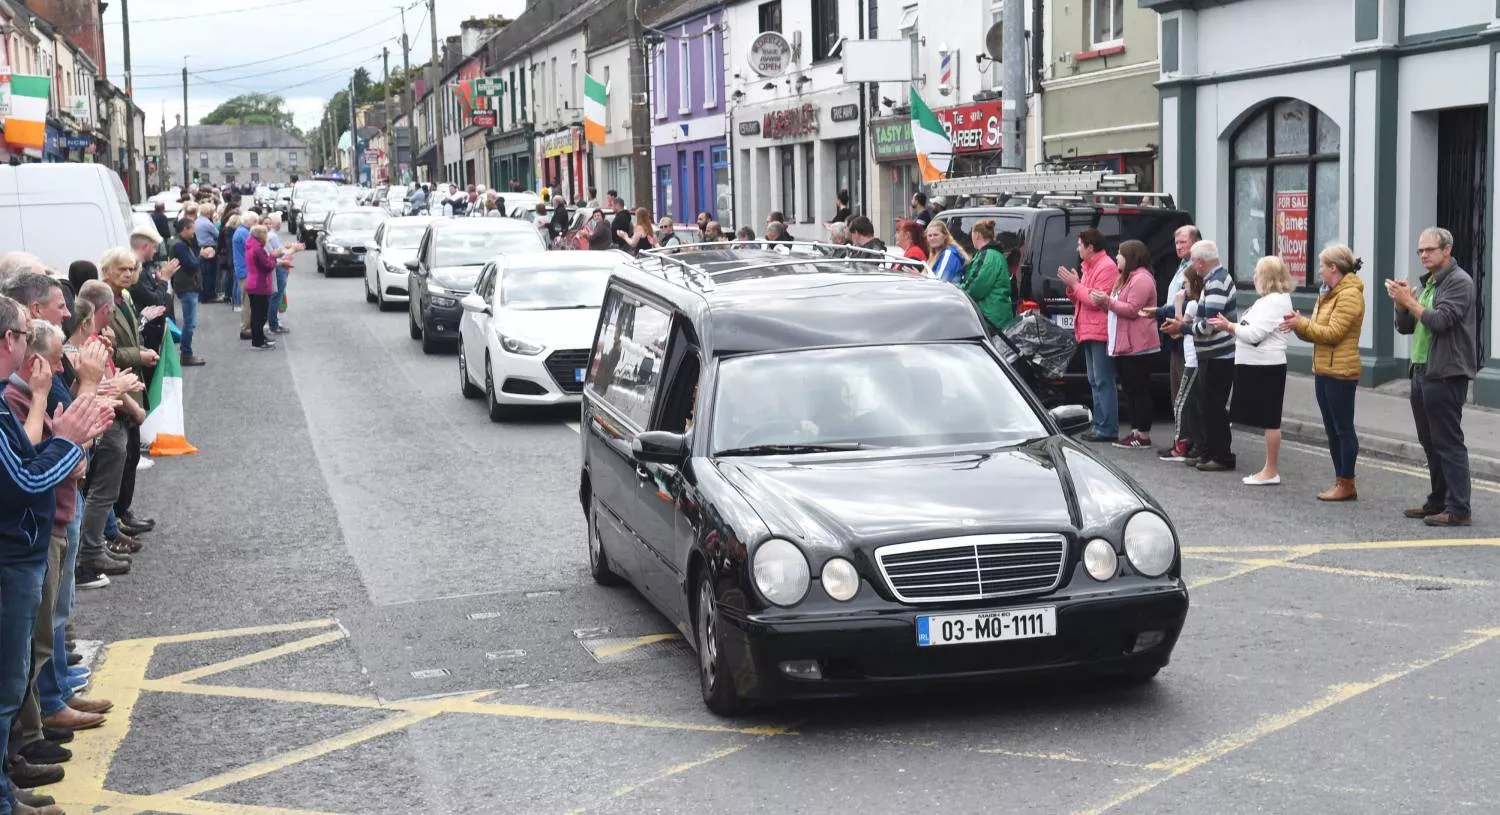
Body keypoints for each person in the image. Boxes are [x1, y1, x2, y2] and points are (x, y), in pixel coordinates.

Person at [0, 294, 110, 815]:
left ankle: (7, 782)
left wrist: (60, 425)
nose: (29, 352)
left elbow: (27, 459)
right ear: (10, 342)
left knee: (24, 661)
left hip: (26, 546)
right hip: (15, 554)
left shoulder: (9, 396)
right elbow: (28, 477)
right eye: (24, 335)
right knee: (10, 683)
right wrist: (68, 439)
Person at [1389, 226, 1478, 526]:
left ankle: (1459, 508)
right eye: (1420, 251)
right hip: (1422, 371)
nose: (1424, 255)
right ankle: (1439, 499)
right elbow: (1408, 327)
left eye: (1430, 250)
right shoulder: (1430, 284)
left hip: (1446, 373)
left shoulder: (1459, 282)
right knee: (1429, 442)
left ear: (1447, 250)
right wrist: (1401, 305)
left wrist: (1411, 302)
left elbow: (1441, 322)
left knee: (1448, 442)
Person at [1282, 244, 1366, 501]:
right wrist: (1298, 325)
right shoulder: (1329, 293)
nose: (1319, 271)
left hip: (1341, 371)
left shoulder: (1349, 294)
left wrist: (1302, 323)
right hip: (1324, 368)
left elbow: (1333, 334)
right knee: (1331, 429)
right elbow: (1318, 333)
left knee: (1342, 429)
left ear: (1334, 268)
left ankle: (1346, 482)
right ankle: (1341, 481)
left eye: (1321, 266)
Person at [1211, 256, 1293, 485]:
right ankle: (1269, 469)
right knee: (1266, 419)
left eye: (1257, 272)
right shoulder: (1266, 300)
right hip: (1256, 364)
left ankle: (1271, 471)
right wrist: (1237, 328)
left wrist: (1229, 326)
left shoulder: (1276, 301)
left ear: (1267, 276)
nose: (1254, 276)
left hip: (1267, 366)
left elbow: (1254, 334)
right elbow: (1248, 328)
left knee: (1271, 420)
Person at [100, 252, 161, 544]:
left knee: (132, 454)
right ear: (106, 270)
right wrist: (139, 354)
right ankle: (117, 516)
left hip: (133, 384)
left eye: (131, 269)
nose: (127, 274)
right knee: (123, 456)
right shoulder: (105, 303)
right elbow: (108, 353)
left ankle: (124, 511)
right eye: (121, 269)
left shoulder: (124, 297)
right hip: (119, 386)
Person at [1167, 240, 1239, 472]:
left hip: (1219, 355)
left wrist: (1183, 328)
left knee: (1214, 407)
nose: (1194, 268)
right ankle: (1208, 452)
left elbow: (1210, 325)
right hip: (1214, 353)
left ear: (1200, 262)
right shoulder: (1215, 280)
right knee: (1207, 406)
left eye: (1194, 262)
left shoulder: (1216, 282)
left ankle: (1222, 456)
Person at [1090, 239, 1161, 450]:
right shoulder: (1124, 278)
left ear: (1131, 256)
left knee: (1139, 389)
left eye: (1120, 254)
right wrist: (1104, 303)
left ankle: (1143, 434)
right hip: (1123, 343)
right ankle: (1135, 431)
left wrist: (1107, 302)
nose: (1116, 258)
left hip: (1138, 345)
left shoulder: (1141, 279)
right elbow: (1116, 308)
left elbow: (1131, 309)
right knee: (1129, 389)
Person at [1057, 228, 1121, 442]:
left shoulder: (1107, 267)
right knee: (1094, 380)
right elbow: (1082, 299)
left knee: (1103, 380)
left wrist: (1076, 285)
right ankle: (1100, 424)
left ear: (1090, 247)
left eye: (1079, 244)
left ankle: (1107, 427)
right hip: (1088, 330)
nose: (1077, 248)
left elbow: (1095, 301)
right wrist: (1073, 288)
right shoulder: (1090, 266)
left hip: (1099, 330)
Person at [961, 220, 1016, 336]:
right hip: (997, 315)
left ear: (976, 235)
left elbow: (974, 288)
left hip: (989, 318)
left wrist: (956, 291)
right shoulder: (996, 255)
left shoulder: (987, 255)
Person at [168, 218, 210, 366]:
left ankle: (186, 353)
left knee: (190, 322)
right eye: (192, 230)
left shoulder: (181, 243)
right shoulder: (179, 246)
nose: (194, 233)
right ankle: (186, 354)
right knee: (189, 323)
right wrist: (202, 257)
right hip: (187, 287)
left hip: (186, 286)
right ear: (184, 229)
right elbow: (192, 265)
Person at [245, 225, 278, 351]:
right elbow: (267, 265)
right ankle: (258, 341)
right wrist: (274, 256)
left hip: (253, 282)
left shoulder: (251, 245)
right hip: (259, 283)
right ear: (261, 235)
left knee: (257, 313)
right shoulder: (258, 249)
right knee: (260, 314)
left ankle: (260, 337)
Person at [233, 212, 260, 337]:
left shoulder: (241, 231)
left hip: (244, 269)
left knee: (249, 301)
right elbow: (254, 249)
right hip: (246, 270)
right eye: (254, 222)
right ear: (247, 221)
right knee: (248, 301)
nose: (255, 225)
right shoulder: (244, 233)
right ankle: (245, 328)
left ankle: (248, 327)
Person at [194, 203, 223, 302]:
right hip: (209, 248)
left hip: (200, 248)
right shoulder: (207, 223)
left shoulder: (196, 222)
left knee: (203, 273)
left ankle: (203, 296)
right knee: (210, 274)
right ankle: (210, 295)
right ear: (208, 213)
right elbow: (217, 235)